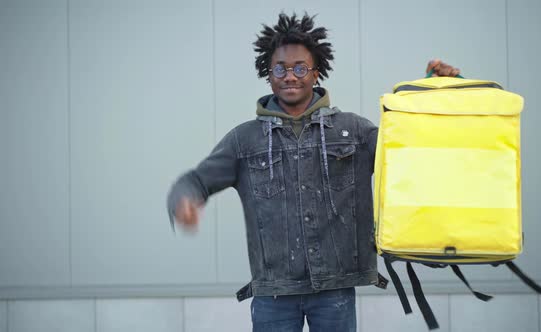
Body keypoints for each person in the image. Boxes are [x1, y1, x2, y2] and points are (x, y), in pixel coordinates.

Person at [167, 12, 459, 332]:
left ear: (316, 73)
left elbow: (410, 151)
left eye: (300, 68)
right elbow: (194, 181)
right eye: (280, 68)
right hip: (273, 296)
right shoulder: (245, 140)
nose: (290, 76)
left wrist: (436, 92)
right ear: (269, 74)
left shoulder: (354, 131)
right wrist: (184, 201)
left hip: (335, 292)